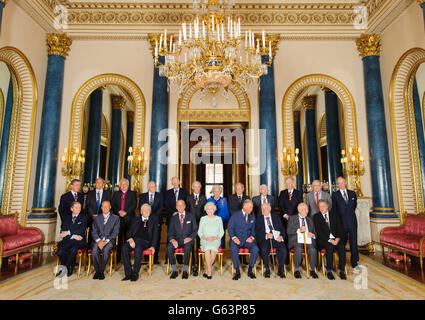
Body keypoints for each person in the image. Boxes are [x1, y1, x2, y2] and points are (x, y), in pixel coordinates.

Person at [122, 204, 159, 282]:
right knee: (124, 248)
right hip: (133, 241)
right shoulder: (135, 219)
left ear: (150, 212)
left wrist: (153, 246)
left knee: (138, 248)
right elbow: (129, 231)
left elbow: (156, 234)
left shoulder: (154, 220)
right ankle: (128, 274)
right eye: (144, 210)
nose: (146, 211)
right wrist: (130, 239)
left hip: (145, 242)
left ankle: (135, 273)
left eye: (148, 210)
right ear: (141, 212)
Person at [313, 200, 346, 280]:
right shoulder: (316, 217)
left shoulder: (334, 215)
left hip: (336, 238)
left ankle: (342, 271)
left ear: (327, 206)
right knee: (329, 247)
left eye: (323, 206)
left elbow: (340, 228)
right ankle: (329, 271)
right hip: (323, 240)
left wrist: (337, 238)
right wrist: (329, 240)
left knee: (341, 247)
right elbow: (319, 232)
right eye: (320, 206)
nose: (322, 208)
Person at [332, 176, 359, 270]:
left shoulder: (352, 193)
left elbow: (354, 206)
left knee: (353, 243)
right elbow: (334, 210)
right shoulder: (335, 195)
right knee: (341, 243)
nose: (341, 185)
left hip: (352, 222)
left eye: (342, 182)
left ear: (345, 183)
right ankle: (342, 261)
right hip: (341, 223)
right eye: (338, 183)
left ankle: (354, 262)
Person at [228, 199, 259, 280]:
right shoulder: (235, 215)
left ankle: (250, 270)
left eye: (252, 207)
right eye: (250, 207)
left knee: (255, 249)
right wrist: (234, 238)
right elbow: (230, 228)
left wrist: (252, 237)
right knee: (233, 248)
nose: (252, 209)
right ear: (244, 207)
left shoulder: (252, 218)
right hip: (236, 239)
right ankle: (237, 271)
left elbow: (254, 231)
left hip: (247, 240)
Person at [167, 200, 198, 279]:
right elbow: (170, 232)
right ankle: (174, 270)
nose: (180, 207)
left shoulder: (191, 216)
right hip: (176, 240)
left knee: (187, 248)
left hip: (187, 240)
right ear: (176, 207)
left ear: (185, 206)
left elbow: (195, 230)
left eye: (182, 205)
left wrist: (190, 238)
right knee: (169, 248)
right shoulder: (173, 218)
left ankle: (185, 271)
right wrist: (172, 240)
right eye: (178, 205)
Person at [255, 202, 287, 278]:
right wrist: (266, 235)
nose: (264, 210)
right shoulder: (258, 219)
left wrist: (281, 237)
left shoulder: (276, 217)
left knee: (283, 250)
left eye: (265, 208)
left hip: (276, 238)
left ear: (270, 209)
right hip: (265, 239)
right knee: (264, 250)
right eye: (262, 209)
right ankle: (267, 269)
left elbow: (282, 229)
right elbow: (257, 232)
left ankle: (281, 270)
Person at [56, 201, 88, 277]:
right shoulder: (66, 218)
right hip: (67, 240)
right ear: (71, 208)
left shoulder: (84, 217)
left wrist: (68, 232)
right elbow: (62, 232)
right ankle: (68, 265)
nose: (78, 209)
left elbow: (81, 231)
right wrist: (72, 235)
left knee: (73, 250)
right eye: (76, 207)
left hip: (78, 241)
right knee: (60, 251)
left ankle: (66, 268)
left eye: (80, 207)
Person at [287, 202, 318, 279]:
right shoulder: (292, 218)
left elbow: (315, 232)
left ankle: (312, 269)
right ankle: (296, 269)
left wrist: (313, 235)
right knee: (298, 249)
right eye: (304, 209)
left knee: (313, 249)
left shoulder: (310, 220)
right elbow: (288, 231)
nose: (306, 211)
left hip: (308, 240)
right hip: (296, 240)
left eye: (307, 209)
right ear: (299, 210)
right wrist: (298, 230)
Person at [91, 201, 120, 280]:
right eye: (104, 206)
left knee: (106, 250)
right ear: (101, 208)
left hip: (109, 240)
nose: (105, 208)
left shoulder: (116, 218)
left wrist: (106, 241)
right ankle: (97, 271)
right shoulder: (97, 218)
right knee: (94, 250)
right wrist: (99, 241)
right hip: (98, 240)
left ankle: (101, 270)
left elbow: (115, 232)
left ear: (110, 207)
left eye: (107, 206)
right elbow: (93, 231)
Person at [111, 178, 137, 263]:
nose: (123, 186)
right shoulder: (116, 194)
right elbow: (113, 205)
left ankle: (127, 258)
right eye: (121, 184)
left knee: (128, 238)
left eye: (125, 184)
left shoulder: (132, 193)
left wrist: (125, 212)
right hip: (118, 219)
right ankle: (118, 258)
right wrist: (119, 211)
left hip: (129, 219)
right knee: (118, 239)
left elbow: (134, 205)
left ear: (128, 185)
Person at [197, 202, 224, 279]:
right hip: (205, 239)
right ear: (206, 210)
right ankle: (209, 271)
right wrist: (205, 238)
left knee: (213, 249)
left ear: (214, 210)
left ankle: (207, 271)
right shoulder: (203, 219)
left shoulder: (219, 219)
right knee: (208, 248)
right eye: (208, 209)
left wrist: (215, 237)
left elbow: (221, 232)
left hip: (215, 239)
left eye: (211, 209)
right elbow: (199, 232)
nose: (210, 211)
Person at [139, 181, 163, 264]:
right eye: (152, 187)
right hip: (145, 220)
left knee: (156, 238)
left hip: (156, 220)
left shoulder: (159, 196)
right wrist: (147, 216)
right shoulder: (143, 196)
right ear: (148, 187)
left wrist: (152, 217)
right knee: (145, 237)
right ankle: (146, 257)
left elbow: (160, 208)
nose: (154, 188)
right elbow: (141, 208)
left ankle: (155, 257)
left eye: (155, 186)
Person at [186, 181, 207, 276]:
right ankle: (193, 262)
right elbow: (187, 212)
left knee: (199, 244)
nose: (197, 188)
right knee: (191, 244)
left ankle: (199, 263)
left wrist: (201, 222)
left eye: (198, 187)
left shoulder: (203, 198)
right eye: (195, 186)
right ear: (192, 188)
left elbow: (205, 211)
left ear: (200, 188)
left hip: (200, 225)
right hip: (190, 225)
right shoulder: (189, 198)